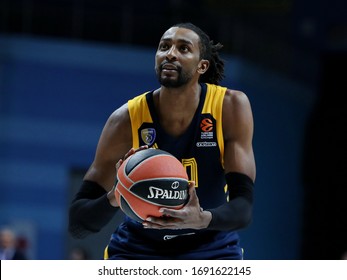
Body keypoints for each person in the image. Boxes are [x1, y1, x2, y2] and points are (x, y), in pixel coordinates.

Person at [69, 22, 256, 260]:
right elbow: (78, 222)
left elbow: (244, 209)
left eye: (183, 48)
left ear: (202, 65)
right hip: (138, 248)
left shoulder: (229, 107)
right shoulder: (125, 119)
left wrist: (202, 219)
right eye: (164, 47)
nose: (170, 53)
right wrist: (116, 196)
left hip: (212, 246)